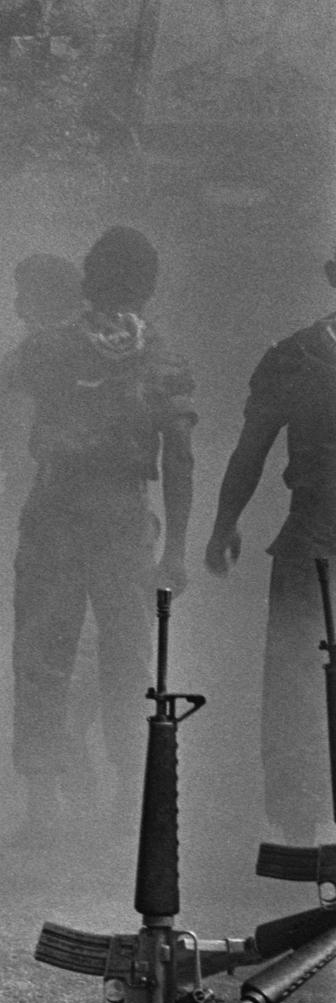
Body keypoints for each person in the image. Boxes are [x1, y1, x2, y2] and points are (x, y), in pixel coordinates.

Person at [6, 226, 195, 834]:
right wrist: (178, 552)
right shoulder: (162, 356)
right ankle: (126, 805)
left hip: (56, 509)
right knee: (127, 660)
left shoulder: (46, 347)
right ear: (150, 289)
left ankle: (39, 808)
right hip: (122, 518)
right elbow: (181, 456)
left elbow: (4, 417)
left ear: (87, 281)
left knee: (42, 656)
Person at [205, 246, 336, 843]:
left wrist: (224, 522)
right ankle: (300, 823)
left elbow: (251, 448)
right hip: (314, 535)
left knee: (299, 680)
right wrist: (224, 520)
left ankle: (302, 820)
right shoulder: (296, 357)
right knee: (297, 682)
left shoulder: (299, 354)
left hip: (312, 540)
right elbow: (251, 447)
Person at [0, 254, 83, 604]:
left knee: (23, 638)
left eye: (24, 295)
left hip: (28, 517)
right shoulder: (110, 362)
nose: (17, 305)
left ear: (37, 303)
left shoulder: (8, 373)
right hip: (88, 521)